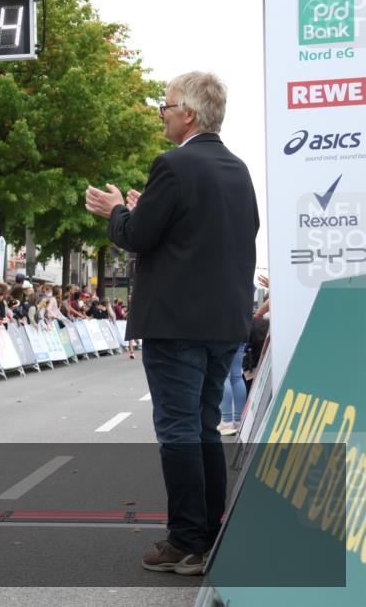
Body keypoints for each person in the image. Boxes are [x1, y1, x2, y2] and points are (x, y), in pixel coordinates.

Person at [85, 71, 258, 575]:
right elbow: (203, 232)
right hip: (225, 320)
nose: (161, 113)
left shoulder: (174, 164)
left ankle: (186, 540)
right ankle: (208, 533)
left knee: (179, 428)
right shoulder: (238, 168)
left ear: (187, 113)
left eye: (165, 106)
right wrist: (146, 211)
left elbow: (137, 237)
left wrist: (117, 210)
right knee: (203, 426)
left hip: (177, 321)